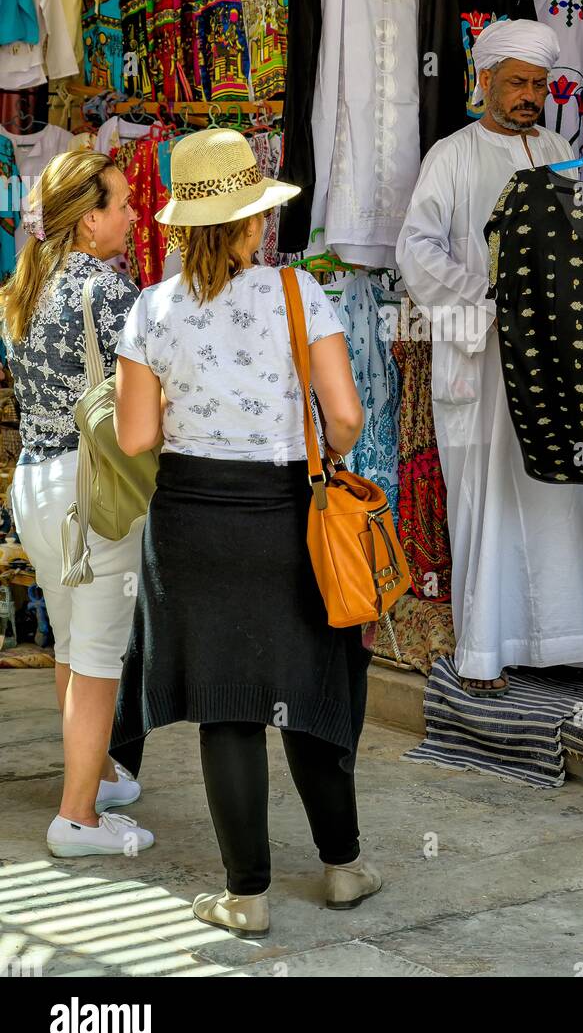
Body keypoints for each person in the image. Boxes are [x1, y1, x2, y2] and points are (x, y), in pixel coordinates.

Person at [111, 128, 379, 938]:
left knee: (226, 706)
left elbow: (134, 437)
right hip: (287, 515)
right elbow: (345, 417)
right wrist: (320, 451)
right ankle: (343, 868)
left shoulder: (151, 309)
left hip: (190, 523)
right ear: (251, 220)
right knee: (310, 691)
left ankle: (246, 896)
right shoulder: (299, 293)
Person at [396, 20, 583, 696]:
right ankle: (485, 649)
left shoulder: (560, 150)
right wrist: (487, 301)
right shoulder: (452, 155)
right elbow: (416, 249)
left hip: (552, 358)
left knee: (558, 494)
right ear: (484, 80)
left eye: (539, 84)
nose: (530, 96)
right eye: (517, 82)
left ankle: (566, 642)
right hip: (482, 356)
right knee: (485, 497)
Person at [0, 151, 154, 857]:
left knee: (72, 641)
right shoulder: (109, 291)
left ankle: (98, 775)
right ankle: (77, 818)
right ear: (89, 219)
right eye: (122, 203)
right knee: (98, 655)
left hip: (35, 485)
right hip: (92, 487)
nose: (134, 214)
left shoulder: (23, 288)